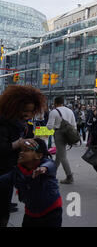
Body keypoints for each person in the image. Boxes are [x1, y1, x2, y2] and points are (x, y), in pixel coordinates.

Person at [0, 86, 46, 227]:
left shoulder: (23, 123)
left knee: (4, 207)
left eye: (31, 111)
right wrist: (18, 143)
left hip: (11, 168)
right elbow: (2, 148)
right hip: (2, 168)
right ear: (14, 106)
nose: (28, 114)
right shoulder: (3, 122)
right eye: (25, 110)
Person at [0, 138, 62, 227]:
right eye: (21, 150)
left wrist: (44, 168)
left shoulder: (45, 167)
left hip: (51, 212)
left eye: (26, 150)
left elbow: (51, 165)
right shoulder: (17, 172)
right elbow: (3, 180)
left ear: (38, 156)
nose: (21, 153)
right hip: (30, 213)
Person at [46, 97, 77, 185]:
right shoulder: (69, 111)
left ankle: (69, 176)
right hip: (68, 134)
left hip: (59, 134)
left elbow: (49, 126)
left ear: (55, 102)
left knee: (62, 156)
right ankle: (52, 173)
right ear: (63, 102)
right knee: (59, 155)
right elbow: (74, 124)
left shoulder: (54, 112)